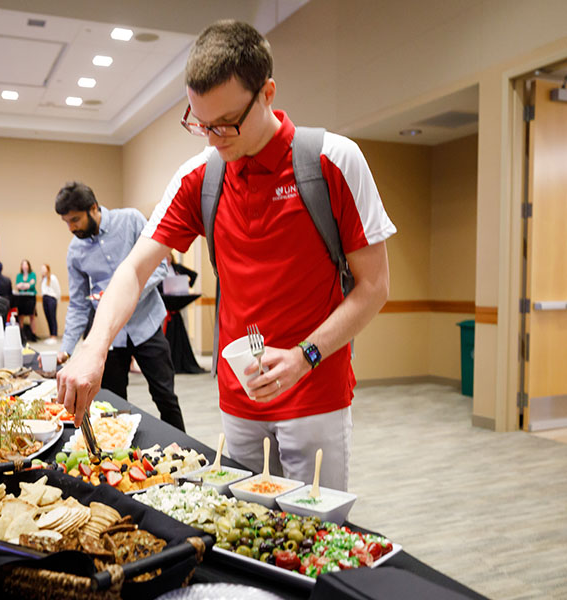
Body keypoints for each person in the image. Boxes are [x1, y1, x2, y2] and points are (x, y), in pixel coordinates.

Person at [57, 21, 395, 491]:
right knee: (245, 536)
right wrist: (93, 348)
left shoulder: (332, 161)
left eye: (227, 123)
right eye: (200, 123)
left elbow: (375, 287)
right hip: (238, 401)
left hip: (316, 393)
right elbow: (134, 269)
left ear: (268, 93)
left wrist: (303, 356)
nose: (213, 139)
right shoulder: (199, 177)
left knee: (313, 538)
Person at [55, 182, 185, 431]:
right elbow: (78, 304)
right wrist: (66, 348)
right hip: (111, 338)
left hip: (147, 326)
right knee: (112, 404)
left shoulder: (131, 220)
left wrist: (122, 294)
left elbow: (159, 267)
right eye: (66, 223)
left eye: (75, 220)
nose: (71, 228)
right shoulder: (75, 252)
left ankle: (185, 457)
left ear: (93, 208)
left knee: (166, 398)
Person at [14, 259, 38, 341]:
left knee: (32, 316)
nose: (24, 266)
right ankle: (21, 335)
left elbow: (31, 285)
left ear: (28, 266)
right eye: (23, 264)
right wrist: (27, 284)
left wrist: (23, 285)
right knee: (21, 316)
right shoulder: (19, 276)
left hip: (31, 297)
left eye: (26, 264)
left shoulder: (32, 274)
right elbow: (17, 286)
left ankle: (33, 335)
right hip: (21, 298)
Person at [39, 263, 61, 345]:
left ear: (48, 269)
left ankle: (54, 336)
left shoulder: (52, 278)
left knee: (52, 317)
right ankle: (51, 335)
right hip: (44, 299)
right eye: (41, 269)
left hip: (51, 299)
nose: (42, 271)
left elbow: (58, 290)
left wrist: (57, 300)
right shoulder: (43, 280)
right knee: (48, 317)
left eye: (44, 269)